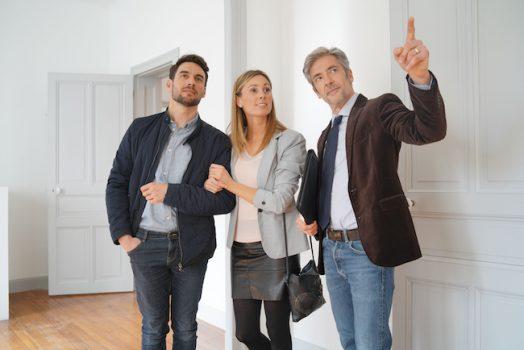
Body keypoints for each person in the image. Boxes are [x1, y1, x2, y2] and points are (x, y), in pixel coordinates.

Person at [296, 17, 446, 350]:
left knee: (370, 344)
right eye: (318, 78)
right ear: (315, 90)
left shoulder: (379, 109)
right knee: (349, 341)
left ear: (349, 74)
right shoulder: (324, 136)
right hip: (332, 250)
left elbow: (427, 130)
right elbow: (335, 190)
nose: (327, 80)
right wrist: (311, 217)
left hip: (366, 250)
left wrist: (419, 76)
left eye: (332, 70)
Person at [105, 54, 236, 350]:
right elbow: (116, 182)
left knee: (186, 328)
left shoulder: (217, 142)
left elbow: (224, 201)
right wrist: (124, 236)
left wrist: (170, 192)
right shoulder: (140, 129)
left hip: (191, 247)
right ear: (170, 84)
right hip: (144, 243)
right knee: (152, 327)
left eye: (199, 79)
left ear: (204, 90)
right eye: (185, 75)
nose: (191, 82)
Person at [204, 70, 309, 350]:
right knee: (245, 333)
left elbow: (280, 201)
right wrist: (214, 184)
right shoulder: (230, 143)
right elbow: (220, 184)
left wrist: (230, 183)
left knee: (278, 331)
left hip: (275, 249)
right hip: (241, 248)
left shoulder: (289, 140)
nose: (262, 95)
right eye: (253, 90)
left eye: (266, 89)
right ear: (238, 100)